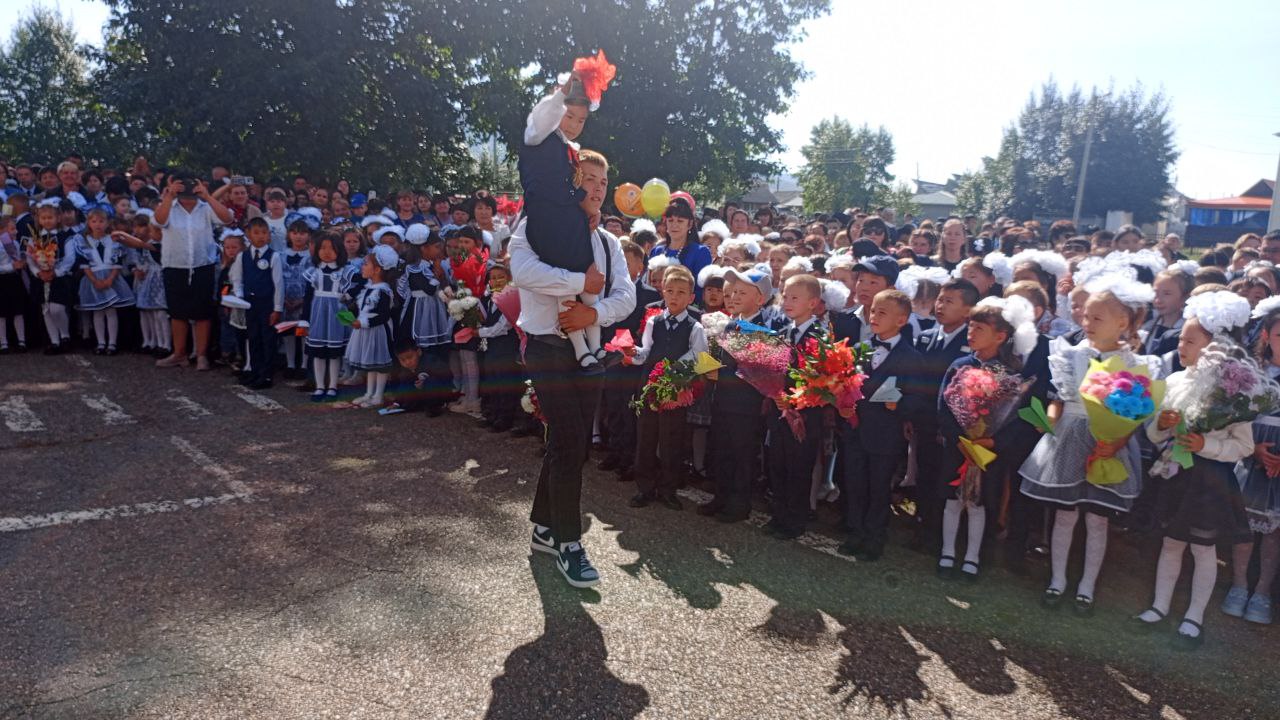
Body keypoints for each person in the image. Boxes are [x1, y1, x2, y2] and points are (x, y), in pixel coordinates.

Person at [510, 146, 634, 589]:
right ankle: (569, 542)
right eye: (588, 179)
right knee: (568, 441)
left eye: (603, 182)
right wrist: (580, 284)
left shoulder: (608, 241)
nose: (596, 189)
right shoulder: (533, 226)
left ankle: (544, 524)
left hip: (591, 351)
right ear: (570, 182)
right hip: (547, 349)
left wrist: (592, 314)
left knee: (573, 444)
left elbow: (626, 297)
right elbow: (523, 272)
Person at [1019, 274, 1163, 616]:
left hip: (1108, 445)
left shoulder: (1136, 364)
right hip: (1070, 438)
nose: (1087, 323)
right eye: (1085, 316)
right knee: (1065, 515)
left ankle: (1087, 587)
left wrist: (1116, 441)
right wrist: (1049, 422)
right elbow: (1059, 398)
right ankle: (1057, 580)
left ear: (1122, 322)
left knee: (1098, 520)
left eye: (1097, 318)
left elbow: (1136, 414)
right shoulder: (1070, 355)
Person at [1134, 291, 1256, 649]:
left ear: (1215, 346)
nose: (1181, 345)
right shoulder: (1175, 381)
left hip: (1210, 481)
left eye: (1191, 340)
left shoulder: (1233, 390)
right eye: (1181, 338)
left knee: (1203, 549)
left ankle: (1194, 615)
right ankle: (1159, 605)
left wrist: (1208, 446)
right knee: (1170, 543)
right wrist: (1164, 424)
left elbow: (1244, 445)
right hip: (1176, 475)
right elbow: (1154, 433)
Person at [518, 54, 616, 374]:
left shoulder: (569, 150)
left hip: (566, 219)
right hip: (547, 222)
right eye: (568, 116)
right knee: (570, 280)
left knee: (586, 283)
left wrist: (586, 214)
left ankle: (596, 348)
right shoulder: (538, 135)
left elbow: (573, 190)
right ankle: (581, 350)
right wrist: (562, 92)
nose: (573, 125)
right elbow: (544, 116)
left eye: (580, 120)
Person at [935, 296, 1038, 581]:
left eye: (980, 328)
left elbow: (1014, 418)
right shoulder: (959, 365)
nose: (972, 333)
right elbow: (944, 405)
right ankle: (946, 552)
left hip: (987, 451)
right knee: (952, 500)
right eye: (971, 326)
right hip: (958, 448)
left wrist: (991, 442)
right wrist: (959, 438)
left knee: (980, 502)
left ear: (1001, 336)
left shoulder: (1010, 374)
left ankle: (972, 557)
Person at [836, 289, 926, 560]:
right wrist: (842, 403)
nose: (874, 316)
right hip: (855, 429)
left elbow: (919, 398)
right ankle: (855, 532)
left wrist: (899, 405)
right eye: (873, 311)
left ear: (901, 320)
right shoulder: (856, 350)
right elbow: (842, 385)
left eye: (882, 313)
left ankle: (875, 536)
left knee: (878, 486)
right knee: (854, 482)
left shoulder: (912, 358)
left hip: (886, 435)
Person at [623, 265, 707, 509]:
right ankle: (645, 487)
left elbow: (699, 355)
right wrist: (633, 352)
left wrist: (674, 372)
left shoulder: (695, 327)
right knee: (646, 437)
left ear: (691, 297)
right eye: (669, 290)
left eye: (681, 292)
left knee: (672, 439)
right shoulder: (654, 322)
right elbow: (646, 351)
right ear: (663, 292)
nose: (674, 296)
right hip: (649, 387)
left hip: (676, 390)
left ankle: (668, 488)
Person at [700, 266, 779, 523]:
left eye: (742, 292)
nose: (733, 297)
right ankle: (721, 497)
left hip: (745, 407)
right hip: (722, 401)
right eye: (732, 291)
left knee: (741, 454)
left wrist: (717, 374)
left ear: (760, 299)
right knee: (721, 450)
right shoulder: (731, 323)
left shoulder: (763, 330)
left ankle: (738, 503)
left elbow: (755, 374)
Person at [911, 278, 979, 550]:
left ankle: (945, 536)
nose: (940, 305)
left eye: (949, 301)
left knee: (947, 479)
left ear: (967, 310)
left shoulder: (970, 342)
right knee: (924, 474)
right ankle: (924, 527)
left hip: (953, 427)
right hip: (923, 421)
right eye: (940, 299)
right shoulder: (926, 336)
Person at [1224, 297, 1280, 626]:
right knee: (1244, 524)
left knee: (1274, 532)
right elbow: (1235, 416)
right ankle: (1239, 584)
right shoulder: (1254, 373)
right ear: (1266, 337)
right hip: (1252, 451)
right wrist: (1255, 448)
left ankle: (1263, 590)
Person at [765, 274, 827, 541]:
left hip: (805, 415)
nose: (787, 302)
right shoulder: (783, 332)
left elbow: (823, 380)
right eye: (785, 296)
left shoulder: (821, 336)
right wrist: (775, 392)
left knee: (799, 466)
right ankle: (778, 514)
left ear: (813, 303)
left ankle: (794, 519)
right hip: (779, 410)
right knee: (777, 463)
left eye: (794, 297)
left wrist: (795, 399)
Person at [153, 172, 234, 371]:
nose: (187, 188)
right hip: (174, 265)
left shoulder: (206, 208)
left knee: (202, 313)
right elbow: (159, 221)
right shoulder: (168, 206)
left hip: (202, 265)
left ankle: (201, 355)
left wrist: (207, 196)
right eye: (183, 184)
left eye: (190, 184)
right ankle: (179, 353)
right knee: (177, 312)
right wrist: (170, 196)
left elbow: (227, 219)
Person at [67, 205, 135, 354]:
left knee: (110, 311)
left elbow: (117, 262)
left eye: (101, 221)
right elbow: (84, 263)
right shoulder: (82, 240)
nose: (98, 224)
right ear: (88, 223)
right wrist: (95, 280)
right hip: (92, 279)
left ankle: (112, 343)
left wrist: (110, 279)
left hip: (111, 277)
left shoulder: (114, 240)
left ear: (108, 223)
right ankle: (100, 342)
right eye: (94, 221)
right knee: (97, 311)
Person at [345, 244, 402, 408]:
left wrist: (362, 322)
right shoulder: (368, 288)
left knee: (380, 364)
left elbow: (383, 315)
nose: (362, 267)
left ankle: (378, 395)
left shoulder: (383, 291)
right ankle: (369, 393)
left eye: (366, 264)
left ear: (377, 270)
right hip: (365, 331)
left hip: (377, 331)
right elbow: (362, 308)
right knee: (370, 364)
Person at [230, 219, 283, 390]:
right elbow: (237, 278)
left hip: (267, 303)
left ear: (269, 235)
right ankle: (254, 371)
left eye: (264, 233)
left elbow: (278, 284)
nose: (261, 236)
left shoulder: (273, 256)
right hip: (249, 304)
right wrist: (239, 296)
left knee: (267, 338)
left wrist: (277, 308)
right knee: (253, 337)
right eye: (256, 233)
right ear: (248, 235)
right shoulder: (243, 256)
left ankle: (267, 375)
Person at [302, 231, 352, 401]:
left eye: (332, 248)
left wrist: (349, 319)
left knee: (334, 352)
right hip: (318, 315)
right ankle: (319, 386)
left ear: (339, 251)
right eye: (322, 248)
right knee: (318, 352)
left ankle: (332, 385)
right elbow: (307, 297)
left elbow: (351, 295)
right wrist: (304, 320)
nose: (327, 252)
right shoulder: (313, 272)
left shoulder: (346, 272)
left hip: (337, 315)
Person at [280, 213, 315, 380]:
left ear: (308, 235)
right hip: (286, 299)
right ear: (289, 235)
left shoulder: (311, 257)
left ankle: (303, 364)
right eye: (294, 233)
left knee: (302, 331)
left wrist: (304, 300)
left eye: (302, 233)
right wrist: (283, 299)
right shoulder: (281, 255)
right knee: (288, 331)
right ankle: (290, 363)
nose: (298, 236)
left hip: (303, 300)